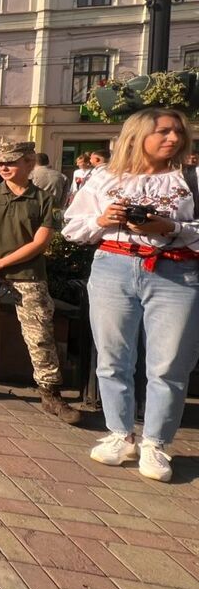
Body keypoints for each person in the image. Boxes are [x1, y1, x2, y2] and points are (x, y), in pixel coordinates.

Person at [64, 109, 199, 482]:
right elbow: (73, 229)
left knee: (169, 364)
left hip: (176, 271)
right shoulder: (103, 178)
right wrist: (102, 221)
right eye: (163, 131)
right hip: (113, 266)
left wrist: (168, 226)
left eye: (177, 132)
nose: (173, 138)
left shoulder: (191, 178)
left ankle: (156, 444)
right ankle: (119, 434)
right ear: (137, 135)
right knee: (112, 357)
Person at [0, 139, 81, 423]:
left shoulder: (44, 200)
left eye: (11, 162)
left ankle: (50, 392)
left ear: (29, 164)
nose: (4, 167)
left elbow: (40, 243)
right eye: (1, 163)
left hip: (26, 277)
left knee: (39, 335)